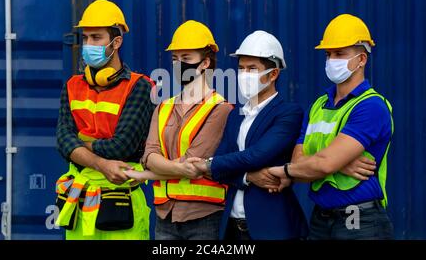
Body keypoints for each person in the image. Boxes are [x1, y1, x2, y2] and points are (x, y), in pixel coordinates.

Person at [269, 14, 394, 240]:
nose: (331, 60)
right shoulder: (319, 104)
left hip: (360, 220)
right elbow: (300, 160)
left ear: (362, 59)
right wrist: (336, 163)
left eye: (339, 54)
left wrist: (316, 165)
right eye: (328, 54)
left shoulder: (371, 106)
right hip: (321, 219)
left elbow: (321, 164)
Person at [190, 31, 308, 240]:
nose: (244, 75)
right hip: (232, 227)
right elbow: (220, 167)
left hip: (271, 227)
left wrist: (208, 164)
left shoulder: (288, 113)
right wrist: (248, 176)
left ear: (273, 74)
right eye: (241, 68)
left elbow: (257, 155)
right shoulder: (235, 114)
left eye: (252, 69)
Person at [55, 0, 154, 240]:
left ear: (116, 42)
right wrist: (101, 163)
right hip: (80, 207)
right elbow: (62, 142)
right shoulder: (72, 86)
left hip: (121, 208)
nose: (88, 44)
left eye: (96, 38)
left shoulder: (139, 86)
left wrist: (79, 145)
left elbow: (121, 146)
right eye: (86, 38)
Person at [126, 20, 233, 240]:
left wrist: (145, 173)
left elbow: (194, 163)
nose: (178, 65)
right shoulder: (163, 107)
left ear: (204, 63)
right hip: (165, 215)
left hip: (203, 216)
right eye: (175, 59)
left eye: (186, 59)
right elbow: (149, 155)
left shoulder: (219, 108)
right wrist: (169, 166)